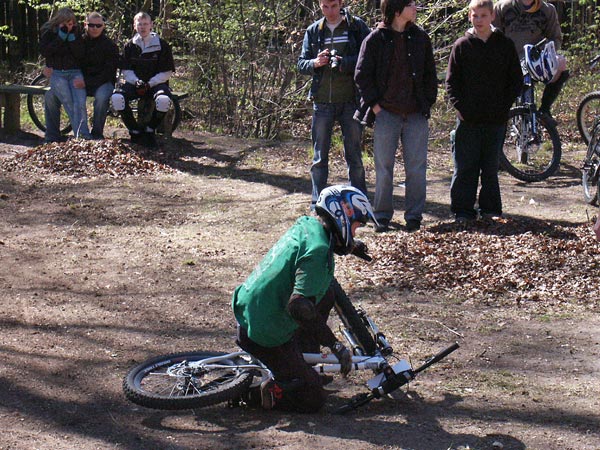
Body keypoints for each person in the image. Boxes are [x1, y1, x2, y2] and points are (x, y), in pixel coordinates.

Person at [232, 185, 378, 412]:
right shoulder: (319, 253)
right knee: (313, 399)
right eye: (357, 226)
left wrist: (350, 246)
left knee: (326, 292)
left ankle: (304, 355)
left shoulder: (308, 225)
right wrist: (335, 345)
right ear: (343, 217)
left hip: (252, 305)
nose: (356, 232)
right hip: (264, 331)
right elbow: (298, 306)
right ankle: (251, 394)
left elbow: (315, 244)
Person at [354, 0, 437, 232]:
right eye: (411, 4)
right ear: (397, 10)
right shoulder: (374, 40)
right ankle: (381, 216)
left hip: (415, 115)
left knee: (417, 168)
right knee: (383, 168)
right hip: (386, 114)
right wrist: (376, 107)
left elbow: (431, 75)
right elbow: (361, 76)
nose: (416, 8)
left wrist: (427, 101)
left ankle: (414, 217)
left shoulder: (421, 37)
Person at [446, 0, 523, 223]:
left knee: (490, 167)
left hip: (495, 118)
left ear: (491, 17)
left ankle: (490, 209)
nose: (478, 20)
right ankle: (462, 211)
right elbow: (451, 83)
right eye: (474, 15)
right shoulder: (461, 45)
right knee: (465, 166)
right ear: (469, 17)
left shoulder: (504, 45)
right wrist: (461, 108)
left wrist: (504, 106)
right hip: (468, 119)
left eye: (483, 15)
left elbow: (515, 80)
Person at [297, 0, 371, 209]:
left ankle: (360, 204)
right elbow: (301, 63)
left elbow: (368, 58)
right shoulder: (314, 30)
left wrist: (344, 62)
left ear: (341, 4)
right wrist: (315, 63)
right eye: (325, 7)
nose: (330, 11)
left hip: (350, 101)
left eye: (333, 6)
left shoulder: (356, 27)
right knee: (319, 157)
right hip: (322, 102)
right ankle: (318, 204)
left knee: (354, 155)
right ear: (320, 6)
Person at [44, 12, 119, 141]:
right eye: (91, 25)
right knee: (50, 95)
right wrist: (47, 67)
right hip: (77, 81)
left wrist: (87, 82)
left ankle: (96, 133)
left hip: (101, 82)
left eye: (98, 25)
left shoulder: (110, 46)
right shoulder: (78, 38)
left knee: (102, 97)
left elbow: (108, 72)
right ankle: (52, 135)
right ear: (85, 25)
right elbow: (58, 55)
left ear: (103, 26)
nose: (94, 28)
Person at [493, 0, 569, 126]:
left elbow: (555, 38)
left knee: (561, 63)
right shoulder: (502, 8)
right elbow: (493, 36)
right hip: (510, 60)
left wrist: (544, 51)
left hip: (536, 60)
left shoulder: (548, 10)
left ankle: (545, 110)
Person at [110, 12, 175, 148]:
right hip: (134, 84)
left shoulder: (162, 45)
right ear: (135, 26)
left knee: (163, 101)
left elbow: (167, 72)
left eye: (145, 24)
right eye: (140, 24)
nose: (143, 27)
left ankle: (150, 130)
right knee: (117, 98)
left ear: (151, 25)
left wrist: (150, 83)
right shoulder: (129, 46)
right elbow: (126, 70)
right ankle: (134, 131)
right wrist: (137, 82)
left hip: (157, 84)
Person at [39, 7, 91, 141]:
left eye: (71, 23)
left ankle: (83, 136)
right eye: (65, 23)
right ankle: (81, 135)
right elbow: (46, 52)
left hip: (75, 72)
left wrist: (72, 38)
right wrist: (61, 37)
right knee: (68, 101)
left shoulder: (77, 33)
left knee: (79, 101)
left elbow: (80, 55)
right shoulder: (49, 33)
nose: (68, 26)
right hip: (58, 73)